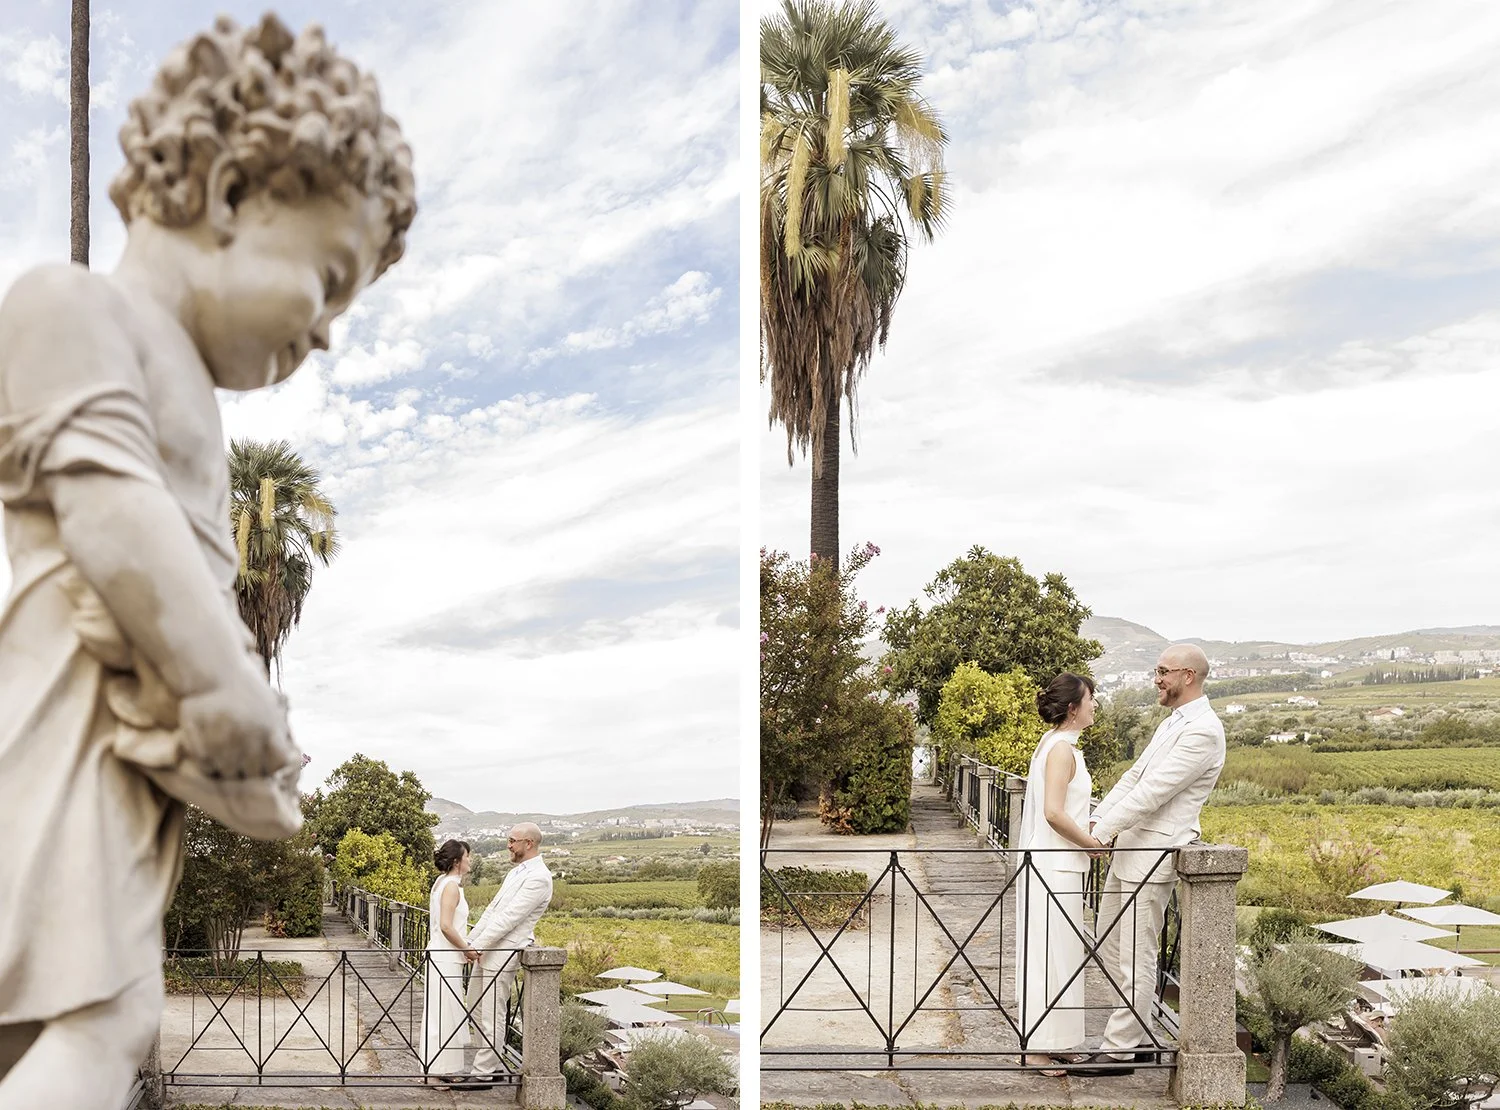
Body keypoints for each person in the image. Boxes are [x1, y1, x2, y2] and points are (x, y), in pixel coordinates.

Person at [0, 15, 415, 1109]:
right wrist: (226, 683)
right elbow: (111, 514)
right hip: (59, 718)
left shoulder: (186, 393)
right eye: (327, 278)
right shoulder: (71, 304)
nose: (325, 330)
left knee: (50, 1020)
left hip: (132, 752)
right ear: (231, 195)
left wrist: (248, 751)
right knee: (105, 1018)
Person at [1073, 643, 1226, 1076]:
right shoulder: (1172, 723)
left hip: (1155, 853)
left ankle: (1120, 1050)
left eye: (1162, 671)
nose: (1156, 679)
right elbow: (1134, 777)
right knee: (1110, 941)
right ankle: (1137, 1033)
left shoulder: (1204, 731)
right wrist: (1095, 822)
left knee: (1136, 955)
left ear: (1188, 677)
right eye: (1155, 670)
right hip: (1129, 850)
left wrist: (1097, 834)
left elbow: (1154, 793)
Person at [1015, 673, 1109, 1076]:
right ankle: (1036, 1047)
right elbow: (1053, 813)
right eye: (1091, 699)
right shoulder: (1060, 751)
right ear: (1073, 707)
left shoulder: (1061, 745)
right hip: (1053, 866)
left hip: (1061, 864)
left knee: (1066, 954)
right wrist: (1093, 845)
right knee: (1048, 954)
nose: (1095, 705)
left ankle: (1063, 1041)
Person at [461, 823, 554, 1084]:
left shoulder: (539, 877)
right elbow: (493, 911)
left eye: (513, 841)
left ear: (529, 844)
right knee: (475, 1007)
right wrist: (470, 941)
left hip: (503, 953)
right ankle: (493, 1063)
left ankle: (483, 1074)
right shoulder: (516, 873)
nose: (508, 845)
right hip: (486, 951)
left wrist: (478, 947)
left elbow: (511, 919)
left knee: (492, 1013)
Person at [421, 839, 479, 1087]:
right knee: (444, 1014)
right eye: (467, 856)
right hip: (445, 957)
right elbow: (446, 926)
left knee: (440, 1013)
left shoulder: (441, 882)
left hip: (442, 955)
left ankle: (437, 1068)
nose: (470, 860)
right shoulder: (452, 887)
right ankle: (438, 1071)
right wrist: (467, 949)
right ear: (457, 861)